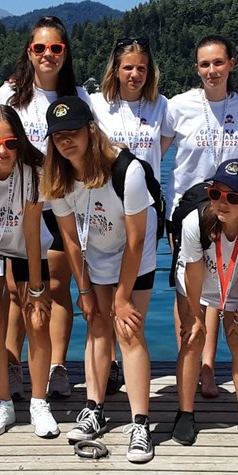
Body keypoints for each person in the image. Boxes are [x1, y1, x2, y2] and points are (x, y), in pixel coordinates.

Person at [42, 96, 157, 463]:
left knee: (128, 330)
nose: (66, 140)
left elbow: (136, 240)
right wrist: (85, 289)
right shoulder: (57, 178)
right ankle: (94, 408)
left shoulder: (127, 170)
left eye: (73, 131)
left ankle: (140, 424)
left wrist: (122, 297)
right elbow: (70, 239)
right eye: (58, 135)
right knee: (95, 325)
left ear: (91, 130)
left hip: (134, 254)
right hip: (95, 252)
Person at [0, 16, 92, 401]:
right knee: (17, 291)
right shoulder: (10, 95)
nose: (47, 54)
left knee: (58, 287)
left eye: (55, 48)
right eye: (40, 48)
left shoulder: (78, 96)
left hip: (63, 205)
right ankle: (13, 364)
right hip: (18, 207)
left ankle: (57, 366)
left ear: (65, 53)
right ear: (29, 52)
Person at [161, 34, 238, 398]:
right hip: (186, 207)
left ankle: (209, 366)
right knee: (187, 287)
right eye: (204, 64)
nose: (212, 70)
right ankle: (190, 361)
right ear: (196, 68)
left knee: (221, 285)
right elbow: (155, 153)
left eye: (218, 62)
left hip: (229, 205)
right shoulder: (179, 106)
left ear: (231, 64)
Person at [0, 105, 58, 439]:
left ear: (20, 141)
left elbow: (32, 231)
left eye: (10, 143)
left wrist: (37, 289)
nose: (1, 151)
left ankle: (39, 402)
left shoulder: (35, 171)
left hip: (26, 247)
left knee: (38, 320)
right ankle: (3, 403)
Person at [172, 159, 238, 448]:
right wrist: (195, 316)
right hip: (197, 282)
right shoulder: (195, 221)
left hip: (237, 284)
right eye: (216, 193)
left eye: (232, 197)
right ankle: (185, 413)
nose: (222, 202)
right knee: (192, 339)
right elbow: (193, 270)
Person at [90, 36, 167, 394]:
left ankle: (129, 361)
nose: (135, 74)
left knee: (135, 304)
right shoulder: (96, 105)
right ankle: (109, 367)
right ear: (116, 70)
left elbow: (161, 149)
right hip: (105, 212)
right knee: (105, 303)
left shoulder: (160, 106)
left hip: (145, 213)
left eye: (141, 68)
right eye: (128, 68)